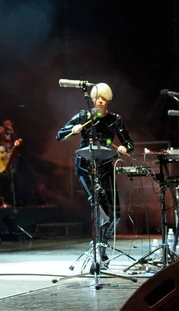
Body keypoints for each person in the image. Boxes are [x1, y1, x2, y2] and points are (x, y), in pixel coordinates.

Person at [55, 83, 134, 261]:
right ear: (92, 99)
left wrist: (123, 147)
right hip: (85, 167)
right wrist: (72, 130)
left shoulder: (116, 119)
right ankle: (97, 247)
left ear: (109, 101)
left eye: (104, 99)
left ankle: (102, 246)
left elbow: (130, 144)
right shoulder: (84, 116)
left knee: (115, 214)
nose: (100, 101)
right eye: (98, 98)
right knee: (98, 207)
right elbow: (59, 135)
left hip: (105, 167)